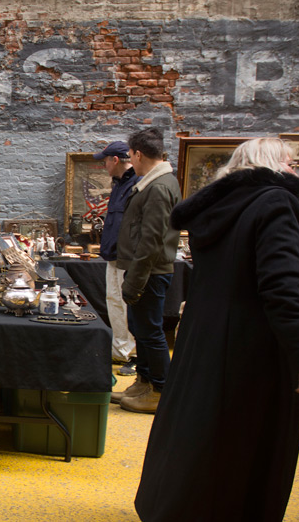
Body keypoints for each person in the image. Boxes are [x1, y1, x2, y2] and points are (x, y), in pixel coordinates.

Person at [135, 138, 299, 520]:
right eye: (291, 163)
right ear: (273, 165)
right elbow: (281, 287)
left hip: (205, 342)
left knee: (202, 441)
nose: (296, 172)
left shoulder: (220, 208)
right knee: (244, 451)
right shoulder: (277, 202)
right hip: (254, 352)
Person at [112, 127, 181, 414]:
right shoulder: (153, 182)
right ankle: (145, 381)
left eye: (131, 157)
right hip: (144, 271)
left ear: (138, 154)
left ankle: (161, 391)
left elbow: (152, 241)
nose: (131, 162)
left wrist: (135, 282)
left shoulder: (159, 186)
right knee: (141, 329)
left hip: (150, 272)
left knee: (150, 332)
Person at [93, 141, 139, 376]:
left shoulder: (136, 183)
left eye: (105, 160)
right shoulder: (120, 184)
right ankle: (121, 350)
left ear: (115, 160)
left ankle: (134, 354)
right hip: (113, 254)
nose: (104, 165)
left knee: (127, 304)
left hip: (128, 257)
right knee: (113, 301)